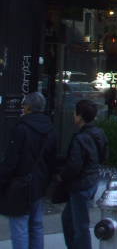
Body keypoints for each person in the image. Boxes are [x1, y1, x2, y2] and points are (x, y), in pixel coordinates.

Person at [0, 92, 57, 249]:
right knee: (36, 224)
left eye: (24, 105)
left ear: (29, 107)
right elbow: (52, 159)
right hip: (39, 183)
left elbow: (11, 161)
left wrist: (2, 180)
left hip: (20, 183)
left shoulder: (21, 128)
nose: (22, 108)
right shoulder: (50, 129)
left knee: (19, 226)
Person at [59, 99, 108, 249]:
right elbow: (104, 156)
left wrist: (62, 176)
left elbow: (74, 165)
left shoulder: (80, 138)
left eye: (75, 113)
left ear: (80, 116)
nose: (73, 115)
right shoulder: (98, 133)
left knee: (80, 224)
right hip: (90, 181)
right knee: (68, 219)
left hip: (81, 185)